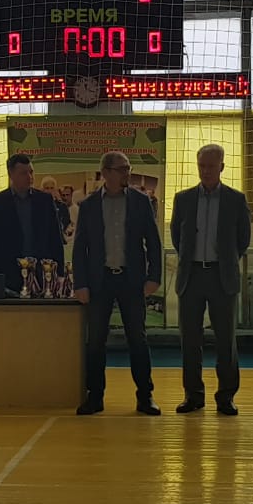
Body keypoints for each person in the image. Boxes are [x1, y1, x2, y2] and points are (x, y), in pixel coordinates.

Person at [72, 151, 163, 416]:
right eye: (122, 169)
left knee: (138, 339)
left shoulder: (140, 202)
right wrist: (80, 283)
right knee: (95, 341)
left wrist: (154, 276)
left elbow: (153, 242)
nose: (127, 173)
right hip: (99, 280)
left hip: (131, 279)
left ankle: (145, 396)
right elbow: (80, 248)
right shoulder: (89, 205)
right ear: (106, 173)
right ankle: (95, 396)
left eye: (128, 168)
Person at [169, 144, 251, 416]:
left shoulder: (235, 200)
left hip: (221, 276)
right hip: (191, 275)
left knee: (225, 340)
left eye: (211, 166)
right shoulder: (183, 199)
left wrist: (224, 261)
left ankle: (226, 396)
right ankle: (193, 395)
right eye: (202, 166)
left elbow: (243, 239)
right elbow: (177, 237)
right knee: (190, 340)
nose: (205, 171)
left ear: (222, 167)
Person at [0, 154, 65, 295]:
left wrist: (59, 273)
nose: (29, 177)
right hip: (8, 276)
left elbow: (55, 238)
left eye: (31, 172)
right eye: (23, 173)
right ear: (11, 174)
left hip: (42, 276)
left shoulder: (44, 201)